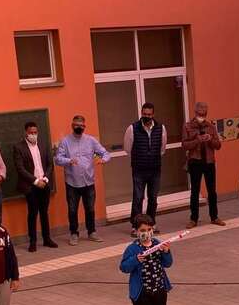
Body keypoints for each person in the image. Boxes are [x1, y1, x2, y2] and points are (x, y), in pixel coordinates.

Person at [119, 214, 178, 305]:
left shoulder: (158, 244)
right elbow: (123, 267)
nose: (147, 233)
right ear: (136, 231)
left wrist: (166, 252)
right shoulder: (132, 248)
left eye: (149, 229)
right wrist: (135, 260)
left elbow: (168, 264)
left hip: (159, 289)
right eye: (143, 230)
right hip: (142, 292)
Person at [55, 115, 111, 245]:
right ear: (72, 125)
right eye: (76, 125)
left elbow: (105, 153)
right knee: (72, 210)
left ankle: (92, 232)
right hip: (72, 183)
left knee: (90, 209)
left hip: (88, 182)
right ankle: (74, 234)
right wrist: (69, 160)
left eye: (81, 125)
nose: (79, 127)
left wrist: (103, 160)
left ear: (84, 126)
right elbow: (58, 159)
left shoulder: (91, 140)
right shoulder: (65, 142)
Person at [14, 121, 58, 252]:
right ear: (26, 133)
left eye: (35, 132)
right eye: (31, 132)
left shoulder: (43, 144)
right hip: (30, 186)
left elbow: (50, 164)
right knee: (33, 213)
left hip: (44, 183)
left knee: (44, 212)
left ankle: (47, 239)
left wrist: (45, 178)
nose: (33, 135)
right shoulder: (19, 147)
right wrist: (35, 181)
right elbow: (20, 168)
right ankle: (32, 241)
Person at [124, 103, 167, 237]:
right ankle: (135, 226)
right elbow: (127, 148)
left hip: (155, 169)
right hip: (139, 170)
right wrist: (140, 159)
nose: (146, 116)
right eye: (144, 114)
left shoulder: (161, 128)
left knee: (153, 198)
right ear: (141, 113)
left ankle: (151, 224)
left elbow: (162, 149)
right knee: (138, 198)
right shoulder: (132, 128)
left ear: (153, 114)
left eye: (149, 114)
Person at [182, 102, 225, 228]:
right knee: (195, 191)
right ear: (195, 112)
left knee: (212, 191)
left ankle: (214, 217)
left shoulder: (211, 126)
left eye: (204, 113)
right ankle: (193, 219)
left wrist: (210, 139)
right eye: (200, 113)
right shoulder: (187, 126)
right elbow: (184, 145)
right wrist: (197, 140)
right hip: (195, 161)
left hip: (209, 162)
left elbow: (218, 145)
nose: (202, 116)